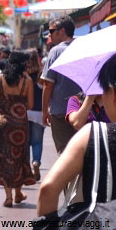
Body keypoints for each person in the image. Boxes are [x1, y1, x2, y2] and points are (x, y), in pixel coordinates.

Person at [37, 50, 116, 216]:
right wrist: (90, 98)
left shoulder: (92, 132)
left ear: (112, 93)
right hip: (84, 167)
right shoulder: (75, 101)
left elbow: (48, 188)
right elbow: (76, 122)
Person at [0, 50, 36, 207]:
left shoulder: (0, 78)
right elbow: (30, 105)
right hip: (21, 124)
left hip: (4, 123)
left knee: (5, 158)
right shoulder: (27, 81)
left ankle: (8, 196)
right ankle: (18, 193)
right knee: (19, 156)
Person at [41, 15, 81, 154]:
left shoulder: (56, 51)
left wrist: (45, 110)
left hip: (60, 111)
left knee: (65, 152)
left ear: (62, 31)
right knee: (81, 151)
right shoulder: (82, 48)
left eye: (51, 31)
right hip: (82, 110)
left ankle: (70, 176)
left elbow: (48, 84)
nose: (49, 34)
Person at [26, 48, 46, 181]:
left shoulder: (22, 75)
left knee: (26, 141)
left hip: (25, 112)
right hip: (38, 112)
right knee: (38, 141)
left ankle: (27, 167)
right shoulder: (41, 74)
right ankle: (36, 162)